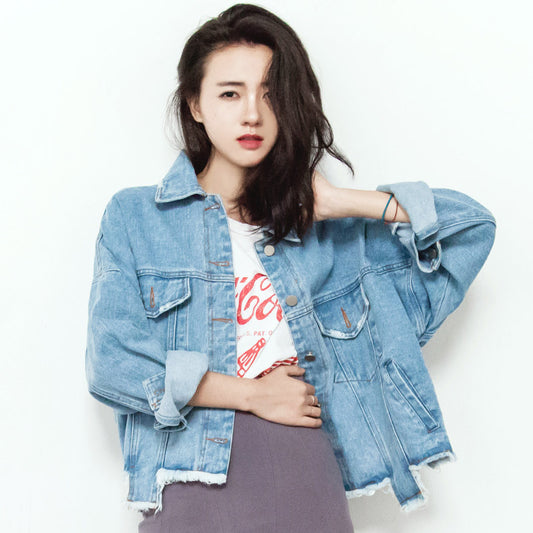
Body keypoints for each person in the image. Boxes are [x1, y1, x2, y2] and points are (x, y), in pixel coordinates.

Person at [85, 3, 496, 532]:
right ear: (195, 105)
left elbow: (471, 229)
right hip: (190, 484)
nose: (252, 114)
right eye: (230, 93)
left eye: (270, 93)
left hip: (303, 476)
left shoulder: (329, 240)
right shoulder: (138, 218)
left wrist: (344, 202)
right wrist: (252, 394)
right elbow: (112, 365)